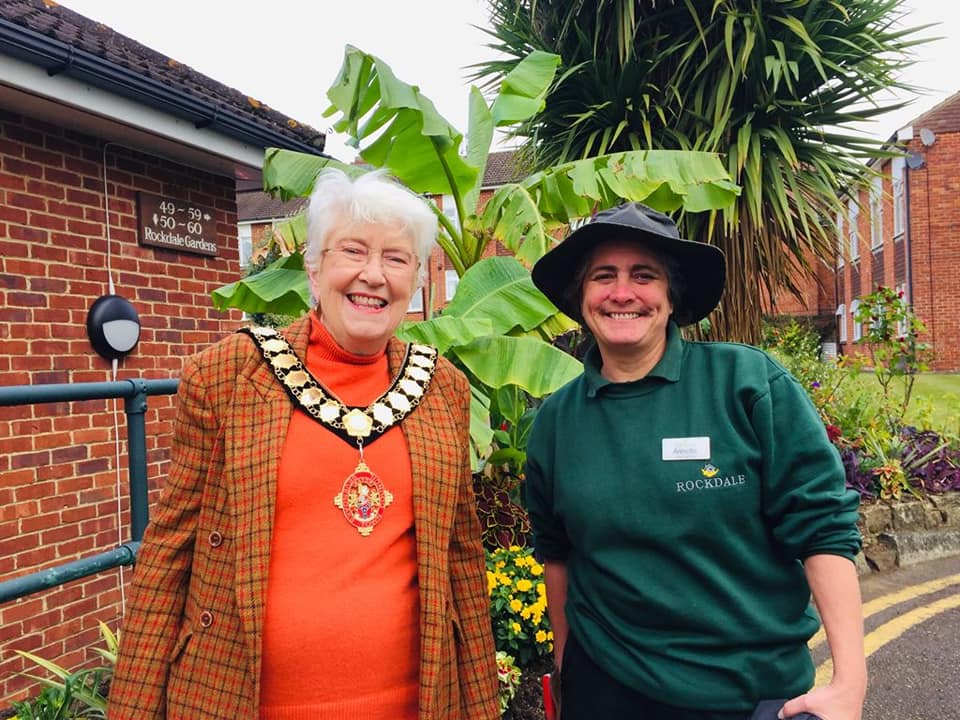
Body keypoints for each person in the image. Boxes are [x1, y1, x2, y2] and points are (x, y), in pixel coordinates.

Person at [108, 168, 500, 720]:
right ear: (314, 271)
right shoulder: (226, 375)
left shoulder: (444, 388)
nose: (373, 275)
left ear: (415, 279)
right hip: (238, 700)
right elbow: (168, 552)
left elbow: (460, 560)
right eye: (353, 251)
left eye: (395, 259)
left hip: (413, 704)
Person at [525, 203, 866, 720]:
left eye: (644, 275)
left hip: (747, 692)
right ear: (581, 295)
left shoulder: (747, 384)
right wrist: (566, 663)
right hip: (608, 685)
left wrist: (849, 682)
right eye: (603, 276)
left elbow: (824, 530)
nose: (622, 293)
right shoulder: (557, 420)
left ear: (671, 295)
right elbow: (558, 554)